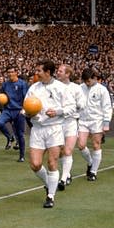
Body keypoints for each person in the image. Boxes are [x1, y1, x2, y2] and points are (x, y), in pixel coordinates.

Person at [24, 60, 76, 208]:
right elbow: (26, 106)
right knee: (35, 164)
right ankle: (49, 183)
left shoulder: (61, 87)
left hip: (54, 128)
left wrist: (57, 111)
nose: (37, 73)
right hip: (37, 129)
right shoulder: (34, 88)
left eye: (39, 70)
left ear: (48, 72)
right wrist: (28, 113)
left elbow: (72, 107)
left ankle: (50, 196)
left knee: (52, 163)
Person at [76, 68, 113, 182]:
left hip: (97, 120)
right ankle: (90, 162)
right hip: (83, 120)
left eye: (89, 81)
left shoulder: (102, 90)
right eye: (85, 81)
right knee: (81, 145)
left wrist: (106, 123)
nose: (87, 83)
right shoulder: (80, 88)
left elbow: (107, 106)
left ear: (94, 78)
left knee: (96, 145)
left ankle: (93, 172)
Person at [55, 64, 85, 190]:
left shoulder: (76, 88)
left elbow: (82, 104)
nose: (58, 73)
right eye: (58, 71)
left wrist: (73, 108)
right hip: (57, 122)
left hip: (71, 122)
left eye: (60, 71)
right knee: (61, 151)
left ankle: (63, 179)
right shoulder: (54, 87)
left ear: (68, 74)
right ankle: (67, 173)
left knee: (68, 150)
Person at [0, 66, 28, 162]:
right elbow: (2, 96)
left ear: (16, 72)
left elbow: (26, 97)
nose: (10, 74)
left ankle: (21, 156)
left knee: (20, 134)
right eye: (8, 72)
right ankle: (10, 137)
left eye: (12, 72)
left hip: (19, 111)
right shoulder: (5, 84)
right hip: (8, 110)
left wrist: (24, 109)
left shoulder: (22, 84)